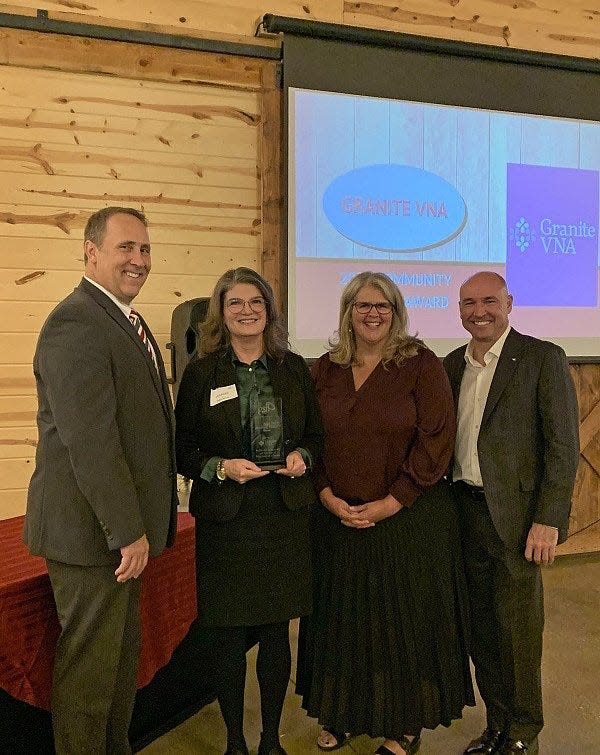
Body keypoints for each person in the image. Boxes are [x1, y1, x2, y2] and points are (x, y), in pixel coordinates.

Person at [297, 271, 474, 755]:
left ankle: (403, 725)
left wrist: (392, 501)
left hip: (406, 520)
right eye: (362, 306)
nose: (372, 314)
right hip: (337, 519)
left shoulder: (421, 365)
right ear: (348, 312)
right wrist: (327, 495)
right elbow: (308, 437)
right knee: (343, 624)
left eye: (383, 306)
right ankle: (344, 713)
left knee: (400, 626)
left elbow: (436, 441)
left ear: (395, 313)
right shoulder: (325, 369)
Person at [24, 206, 178, 754]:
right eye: (125, 248)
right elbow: (90, 443)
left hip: (115, 535)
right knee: (90, 680)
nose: (138, 260)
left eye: (144, 250)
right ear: (91, 253)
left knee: (116, 674)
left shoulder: (123, 319)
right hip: (94, 538)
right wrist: (126, 530)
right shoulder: (76, 323)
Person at [175, 267, 323, 755]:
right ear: (220, 310)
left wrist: (303, 456)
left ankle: (269, 740)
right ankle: (235, 741)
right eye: (234, 302)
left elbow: (315, 437)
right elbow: (184, 451)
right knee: (228, 634)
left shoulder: (293, 367)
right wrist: (220, 467)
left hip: (283, 516)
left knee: (277, 632)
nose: (246, 311)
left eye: (255, 302)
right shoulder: (201, 373)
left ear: (269, 311)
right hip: (226, 519)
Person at [444, 271, 580, 755]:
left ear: (509, 303)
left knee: (517, 634)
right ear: (458, 310)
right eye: (468, 303)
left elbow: (563, 447)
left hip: (518, 521)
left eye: (488, 301)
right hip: (461, 514)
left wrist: (549, 518)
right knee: (480, 630)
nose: (478, 311)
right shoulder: (450, 366)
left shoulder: (541, 358)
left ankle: (523, 733)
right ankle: (497, 725)